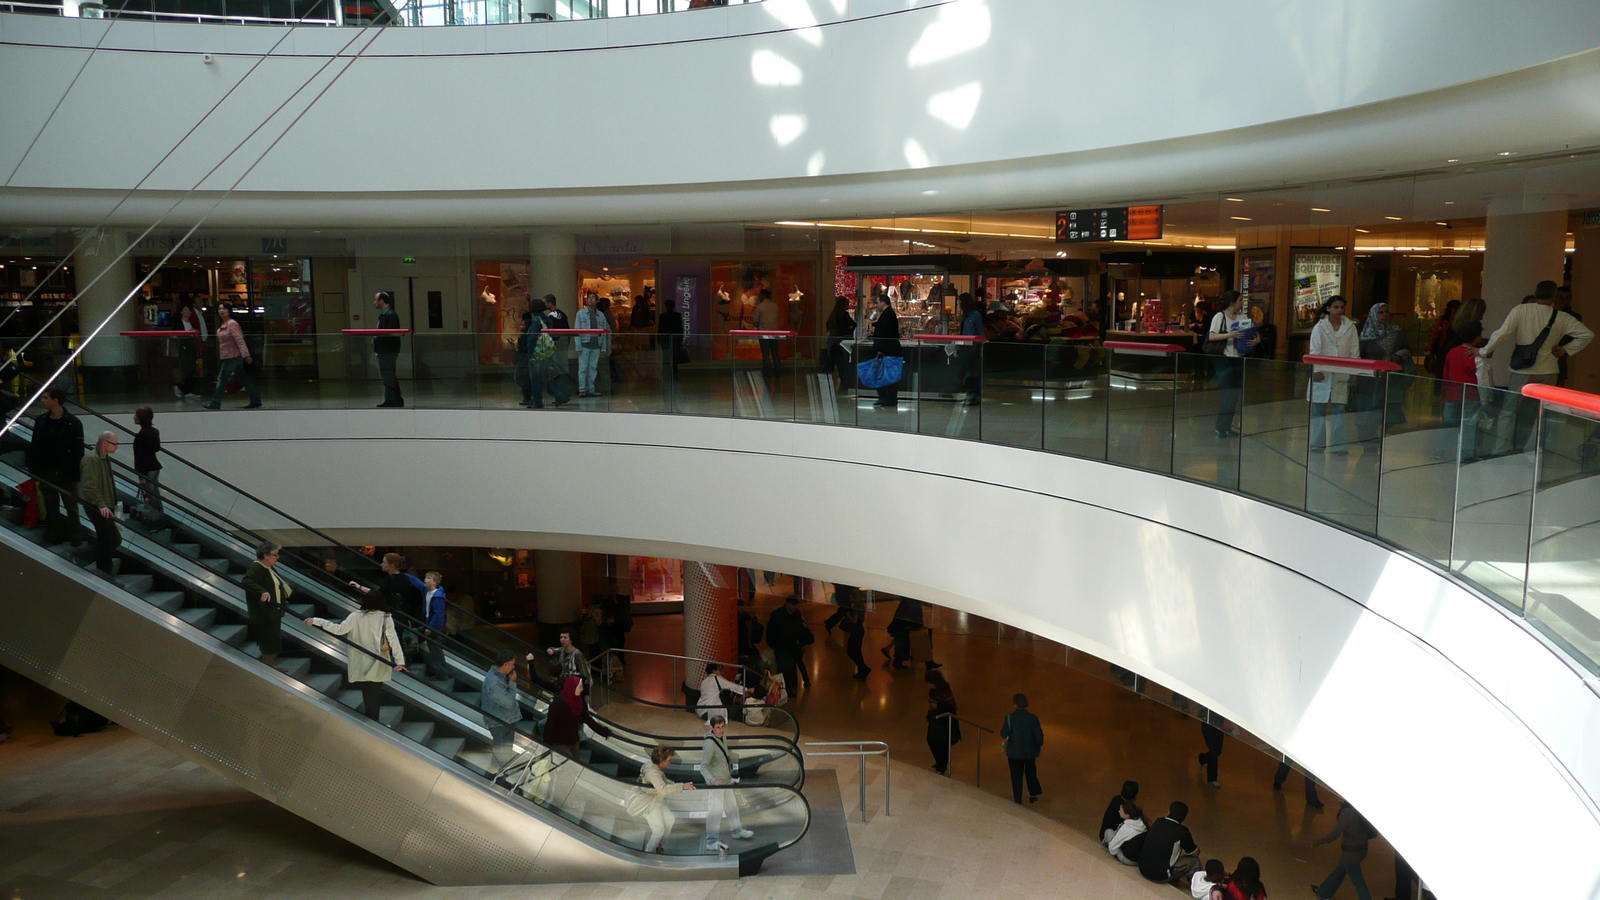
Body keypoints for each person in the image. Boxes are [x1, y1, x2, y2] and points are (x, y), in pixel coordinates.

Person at [1481, 279, 1592, 450]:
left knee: (1509, 411)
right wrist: (1566, 350)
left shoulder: (1521, 310)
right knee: (1537, 412)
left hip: (1521, 370)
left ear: (1536, 293)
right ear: (1554, 296)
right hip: (1549, 369)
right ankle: (1530, 448)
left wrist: (1484, 351)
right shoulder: (1561, 316)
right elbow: (1587, 334)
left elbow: (1502, 334)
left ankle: (1501, 448)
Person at [307, 594, 407, 720]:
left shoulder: (355, 616)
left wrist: (318, 621)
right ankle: (373, 720)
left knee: (366, 690)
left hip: (360, 660)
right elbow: (393, 640)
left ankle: (370, 718)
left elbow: (339, 629)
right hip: (378, 661)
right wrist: (399, 661)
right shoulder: (385, 618)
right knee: (374, 692)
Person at [27, 387, 85, 545]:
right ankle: (54, 532)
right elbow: (35, 446)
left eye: (46, 398)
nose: (43, 401)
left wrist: (76, 475)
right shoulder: (41, 420)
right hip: (47, 470)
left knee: (71, 505)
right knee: (50, 504)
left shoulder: (73, 422)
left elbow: (78, 451)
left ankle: (75, 533)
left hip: (65, 471)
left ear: (55, 400)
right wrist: (34, 470)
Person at [1353, 301, 1413, 441]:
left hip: (1391, 379)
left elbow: (1407, 349)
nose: (1384, 315)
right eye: (1380, 313)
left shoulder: (1397, 331)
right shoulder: (1366, 335)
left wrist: (1398, 355)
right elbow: (1360, 356)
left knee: (1388, 410)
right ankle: (1368, 438)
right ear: (1374, 315)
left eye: (1386, 312)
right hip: (1370, 380)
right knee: (1369, 410)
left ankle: (1383, 436)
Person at [1308, 295, 1358, 452]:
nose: (1339, 310)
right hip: (1322, 373)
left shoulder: (1350, 327)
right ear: (1328, 308)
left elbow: (1354, 352)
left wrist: (1354, 373)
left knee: (1339, 412)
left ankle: (1339, 446)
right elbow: (1314, 351)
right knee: (1318, 412)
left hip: (1341, 374)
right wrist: (1316, 370)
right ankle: (1317, 444)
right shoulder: (1320, 327)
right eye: (1336, 307)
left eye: (1342, 307)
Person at [1207, 290, 1259, 438]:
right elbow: (1212, 336)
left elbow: (1254, 330)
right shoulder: (1220, 316)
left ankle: (1227, 426)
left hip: (1238, 358)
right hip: (1224, 358)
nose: (1242, 303)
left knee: (1235, 393)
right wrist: (1230, 335)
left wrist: (1256, 339)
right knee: (1228, 392)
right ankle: (1220, 426)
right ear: (1232, 302)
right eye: (1240, 300)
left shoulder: (1242, 317)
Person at [701, 714, 754, 850]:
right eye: (718, 728)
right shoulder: (709, 743)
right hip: (717, 784)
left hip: (726, 780)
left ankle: (736, 831)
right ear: (712, 728)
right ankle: (711, 841)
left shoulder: (722, 737)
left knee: (732, 807)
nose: (721, 730)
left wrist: (729, 774)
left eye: (723, 727)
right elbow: (703, 766)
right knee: (715, 812)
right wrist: (712, 780)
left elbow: (724, 758)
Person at [76, 431, 121, 577]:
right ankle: (82, 555)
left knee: (105, 540)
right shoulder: (92, 459)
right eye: (115, 444)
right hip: (96, 506)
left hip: (104, 505)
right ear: (105, 443)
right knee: (112, 539)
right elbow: (88, 486)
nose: (117, 447)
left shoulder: (103, 458)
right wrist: (101, 504)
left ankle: (104, 575)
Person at [1312, 801, 1377, 900]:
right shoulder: (1359, 806)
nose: (1338, 798)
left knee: (1358, 881)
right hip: (1361, 849)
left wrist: (1318, 842)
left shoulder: (1347, 812)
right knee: (1339, 871)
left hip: (1351, 852)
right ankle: (1323, 892)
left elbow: (1335, 834)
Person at [636, 744, 694, 853]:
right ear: (661, 761)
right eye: (668, 760)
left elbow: (663, 783)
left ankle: (659, 845)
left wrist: (679, 785)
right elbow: (663, 788)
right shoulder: (653, 773)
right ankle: (649, 853)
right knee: (658, 830)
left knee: (670, 820)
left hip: (657, 801)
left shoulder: (652, 766)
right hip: (649, 804)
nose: (669, 763)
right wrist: (681, 786)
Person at [203, 303, 262, 410]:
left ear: (229, 311)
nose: (221, 311)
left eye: (224, 309)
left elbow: (240, 340)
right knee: (242, 379)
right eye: (220, 309)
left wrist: (246, 355)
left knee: (222, 379)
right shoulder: (226, 324)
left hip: (233, 356)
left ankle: (215, 402)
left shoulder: (232, 324)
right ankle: (255, 399)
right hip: (230, 356)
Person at [243, 542, 292, 667]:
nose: (278, 557)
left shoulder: (268, 567)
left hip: (274, 610)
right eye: (275, 555)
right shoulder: (256, 568)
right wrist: (262, 591)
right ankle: (268, 665)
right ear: (265, 555)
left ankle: (270, 664)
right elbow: (247, 580)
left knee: (273, 638)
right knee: (268, 639)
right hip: (265, 612)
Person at [542, 675, 612, 759]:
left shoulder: (578, 701)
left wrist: (603, 731)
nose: (582, 689)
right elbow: (550, 724)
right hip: (560, 743)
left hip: (574, 741)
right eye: (580, 687)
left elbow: (587, 719)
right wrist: (546, 745)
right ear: (572, 687)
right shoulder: (558, 703)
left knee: (575, 765)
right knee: (570, 767)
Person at [1139, 800, 1200, 885]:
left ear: (1169, 811)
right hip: (1160, 875)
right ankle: (1199, 886)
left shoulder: (1159, 821)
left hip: (1142, 868)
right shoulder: (1183, 831)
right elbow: (1195, 853)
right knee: (1195, 862)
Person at [1001, 692, 1044, 804]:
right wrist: (1037, 746)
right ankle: (1033, 794)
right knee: (1031, 772)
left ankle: (1017, 799)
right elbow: (1039, 737)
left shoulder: (1010, 718)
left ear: (1015, 705)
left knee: (1016, 776)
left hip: (1014, 753)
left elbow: (1004, 732)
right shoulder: (1033, 718)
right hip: (1030, 752)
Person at [765, 595, 812, 694]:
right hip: (781, 646)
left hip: (793, 645)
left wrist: (802, 643)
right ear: (787, 604)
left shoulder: (796, 614)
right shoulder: (777, 614)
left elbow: (800, 629)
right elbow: (771, 631)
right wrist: (772, 644)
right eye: (793, 604)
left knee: (790, 666)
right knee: (784, 666)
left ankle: (790, 687)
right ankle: (784, 688)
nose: (795, 607)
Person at [481, 652, 521, 765]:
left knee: (505, 753)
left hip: (506, 720)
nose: (514, 667)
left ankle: (501, 775)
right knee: (501, 756)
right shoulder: (494, 682)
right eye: (512, 664)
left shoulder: (500, 676)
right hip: (500, 723)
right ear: (505, 664)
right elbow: (507, 702)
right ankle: (497, 777)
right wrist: (512, 683)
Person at [870, 291, 903, 410]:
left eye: (878, 302)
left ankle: (887, 397)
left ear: (883, 303)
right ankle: (889, 397)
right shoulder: (888, 314)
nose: (877, 305)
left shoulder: (887, 315)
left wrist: (880, 349)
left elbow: (885, 333)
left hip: (887, 351)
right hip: (889, 350)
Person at [372, 291, 404, 407]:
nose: (374, 302)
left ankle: (393, 399)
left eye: (376, 300)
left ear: (381, 301)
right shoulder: (385, 314)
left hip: (388, 350)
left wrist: (378, 340)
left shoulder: (390, 314)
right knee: (388, 375)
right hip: (384, 349)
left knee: (388, 375)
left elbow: (392, 333)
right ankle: (394, 398)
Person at [925, 667, 959, 775]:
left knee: (941, 742)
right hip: (935, 718)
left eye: (931, 683)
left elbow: (952, 706)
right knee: (931, 740)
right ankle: (940, 761)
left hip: (943, 720)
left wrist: (938, 706)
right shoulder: (933, 691)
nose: (929, 685)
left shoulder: (945, 691)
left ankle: (941, 765)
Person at [131, 405, 163, 518]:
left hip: (146, 468)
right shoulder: (154, 431)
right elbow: (157, 448)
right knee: (155, 493)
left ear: (141, 418)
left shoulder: (141, 435)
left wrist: (141, 475)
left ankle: (155, 516)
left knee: (150, 495)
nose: (134, 418)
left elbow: (140, 456)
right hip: (155, 465)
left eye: (136, 416)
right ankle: (159, 515)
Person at [575, 292, 608, 398]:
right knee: (583, 368)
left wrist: (603, 346)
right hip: (584, 344)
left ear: (597, 301)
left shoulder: (601, 315)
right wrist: (578, 346)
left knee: (593, 368)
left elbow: (603, 332)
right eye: (589, 298)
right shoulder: (580, 314)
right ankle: (582, 389)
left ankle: (591, 388)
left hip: (596, 345)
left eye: (593, 298)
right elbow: (577, 330)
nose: (591, 300)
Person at [173, 301, 206, 399]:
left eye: (189, 310)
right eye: (185, 310)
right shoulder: (178, 323)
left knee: (192, 369)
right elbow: (176, 336)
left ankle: (186, 389)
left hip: (191, 349)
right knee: (187, 369)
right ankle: (182, 387)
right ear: (181, 312)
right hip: (183, 349)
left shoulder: (191, 323)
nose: (188, 312)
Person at [882, 596, 924, 669]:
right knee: (904, 637)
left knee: (901, 635)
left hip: (904, 617)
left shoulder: (906, 602)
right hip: (908, 617)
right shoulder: (912, 603)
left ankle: (890, 650)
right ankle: (899, 658)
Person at [958, 293, 984, 406]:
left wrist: (979, 346)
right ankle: (969, 392)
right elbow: (961, 333)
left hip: (973, 348)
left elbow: (980, 332)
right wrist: (958, 346)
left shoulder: (975, 315)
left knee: (972, 372)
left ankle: (974, 395)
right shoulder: (964, 316)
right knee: (966, 371)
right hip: (965, 347)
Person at [824, 295, 855, 391]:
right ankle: (844, 381)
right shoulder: (842, 315)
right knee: (840, 362)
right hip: (839, 342)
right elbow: (849, 325)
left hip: (834, 341)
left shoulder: (835, 314)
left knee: (833, 362)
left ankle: (826, 379)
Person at [419, 570, 448, 673]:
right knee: (433, 649)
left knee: (435, 650)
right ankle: (439, 672)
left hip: (433, 626)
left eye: (428, 578)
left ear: (434, 582)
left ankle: (441, 672)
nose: (425, 580)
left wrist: (430, 627)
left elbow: (438, 614)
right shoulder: (427, 592)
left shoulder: (437, 596)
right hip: (428, 622)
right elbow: (418, 583)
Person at [1106, 799, 1148, 865]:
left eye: (1121, 811)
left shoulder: (1127, 827)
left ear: (1127, 815)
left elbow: (1112, 849)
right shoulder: (1142, 823)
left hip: (1127, 859)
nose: (1119, 811)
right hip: (1137, 857)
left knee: (1108, 832)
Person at [752, 288, 782, 378]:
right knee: (775, 353)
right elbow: (777, 317)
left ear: (763, 296)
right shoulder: (775, 306)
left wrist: (758, 324)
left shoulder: (760, 307)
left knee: (765, 354)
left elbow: (755, 321)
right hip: (775, 334)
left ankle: (767, 372)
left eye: (760, 295)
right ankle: (778, 371)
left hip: (763, 333)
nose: (759, 297)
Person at [1100, 780, 1140, 845]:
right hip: (1112, 839)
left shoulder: (1116, 799)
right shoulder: (1127, 810)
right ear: (1135, 797)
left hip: (1104, 833)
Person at [656, 297, 685, 383]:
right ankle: (675, 375)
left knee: (666, 358)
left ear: (666, 306)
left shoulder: (663, 316)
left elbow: (660, 329)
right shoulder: (677, 316)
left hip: (666, 339)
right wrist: (681, 338)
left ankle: (666, 375)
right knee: (675, 359)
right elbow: (680, 329)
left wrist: (659, 339)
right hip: (675, 340)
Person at [840, 607, 871, 679]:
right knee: (857, 651)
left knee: (851, 651)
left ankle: (863, 668)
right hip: (860, 630)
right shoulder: (860, 605)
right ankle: (862, 670)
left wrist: (848, 616)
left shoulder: (855, 606)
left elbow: (855, 620)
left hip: (856, 631)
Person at [1198, 721, 1225, 787]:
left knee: (1218, 751)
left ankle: (1202, 759)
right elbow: (1200, 712)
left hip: (1220, 727)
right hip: (1208, 725)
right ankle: (1212, 778)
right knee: (1214, 751)